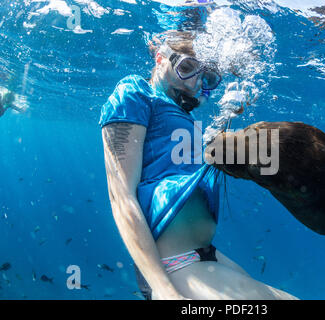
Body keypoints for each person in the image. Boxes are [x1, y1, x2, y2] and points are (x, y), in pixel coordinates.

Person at [99, 32, 298, 300]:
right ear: (160, 58)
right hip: (174, 267)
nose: (193, 82)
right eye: (186, 68)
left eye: (206, 77)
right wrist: (164, 290)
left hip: (207, 256)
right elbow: (121, 198)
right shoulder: (134, 92)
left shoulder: (183, 116)